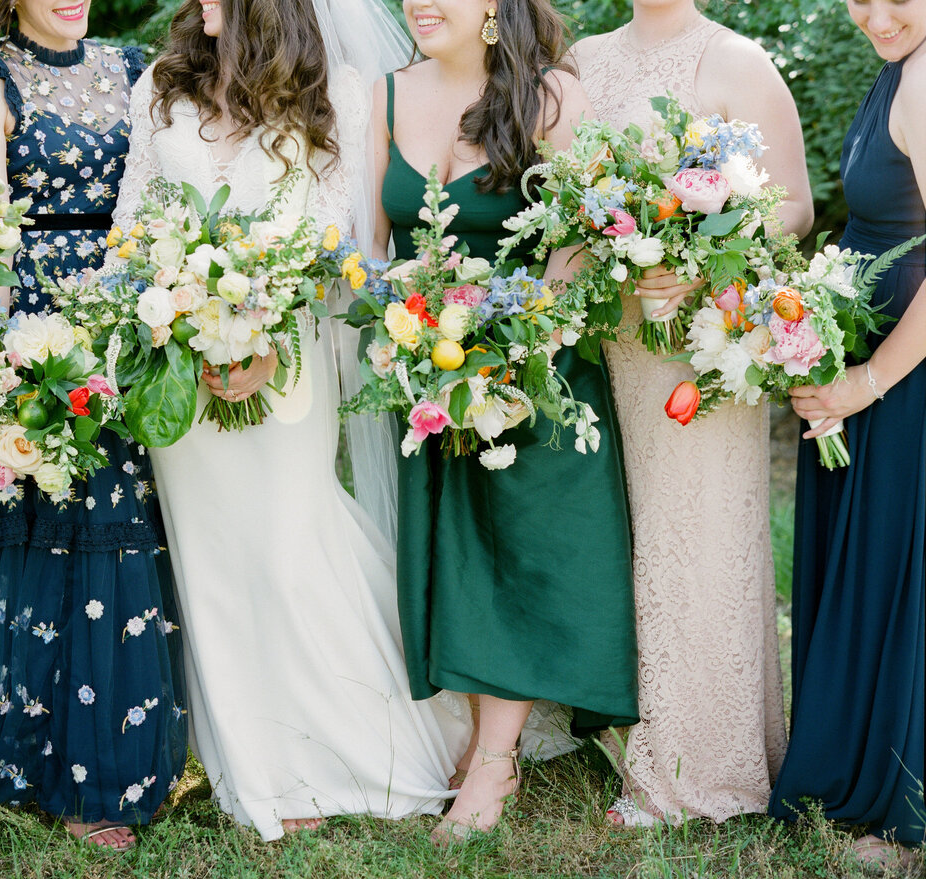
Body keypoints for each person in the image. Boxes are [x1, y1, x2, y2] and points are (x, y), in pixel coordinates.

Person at [110, 0, 469, 842]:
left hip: (289, 351)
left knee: (286, 539)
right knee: (211, 558)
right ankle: (260, 767)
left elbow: (341, 232)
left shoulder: (336, 90)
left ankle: (363, 744)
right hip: (178, 352)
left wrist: (265, 329)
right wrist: (165, 309)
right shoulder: (160, 87)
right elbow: (134, 218)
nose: (201, 5)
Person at [375, 0, 639, 842]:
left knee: (521, 553)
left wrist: (516, 346)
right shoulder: (385, 94)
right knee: (458, 553)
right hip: (427, 365)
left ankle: (495, 760)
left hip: (537, 367)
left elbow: (582, 242)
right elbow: (372, 245)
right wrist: (410, 333)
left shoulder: (551, 98)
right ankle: (483, 740)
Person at [0, 0, 187, 851]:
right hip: (40, 325)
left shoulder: (134, 65)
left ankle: (141, 753)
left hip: (136, 312)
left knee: (135, 529)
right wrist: (4, 357)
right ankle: (66, 773)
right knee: (60, 530)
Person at [570, 0, 814, 826]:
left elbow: (794, 208)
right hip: (611, 340)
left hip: (698, 347)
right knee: (622, 538)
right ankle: (620, 731)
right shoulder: (583, 59)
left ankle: (702, 767)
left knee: (697, 538)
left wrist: (696, 261)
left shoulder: (739, 60)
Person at [771, 0, 925, 866]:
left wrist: (867, 380)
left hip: (904, 381)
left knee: (905, 582)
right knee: (877, 573)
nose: (875, 13)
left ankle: (904, 811)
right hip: (869, 367)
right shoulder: (901, 67)